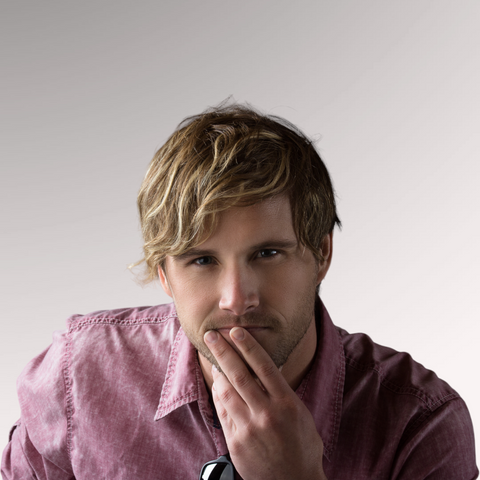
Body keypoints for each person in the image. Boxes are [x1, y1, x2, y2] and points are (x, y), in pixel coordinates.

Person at [2, 103, 477, 480]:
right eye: (202, 260)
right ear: (164, 275)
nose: (236, 298)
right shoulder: (78, 378)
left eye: (267, 254)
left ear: (322, 254)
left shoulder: (420, 424)